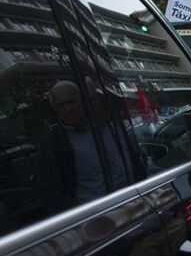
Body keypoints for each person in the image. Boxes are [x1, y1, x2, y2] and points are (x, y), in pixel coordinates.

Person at [37, 79, 138, 213]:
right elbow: (53, 194)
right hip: (97, 220)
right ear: (55, 109)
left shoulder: (112, 127)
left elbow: (135, 162)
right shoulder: (53, 143)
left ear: (82, 101)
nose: (68, 109)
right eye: (60, 105)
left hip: (135, 204)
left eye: (71, 102)